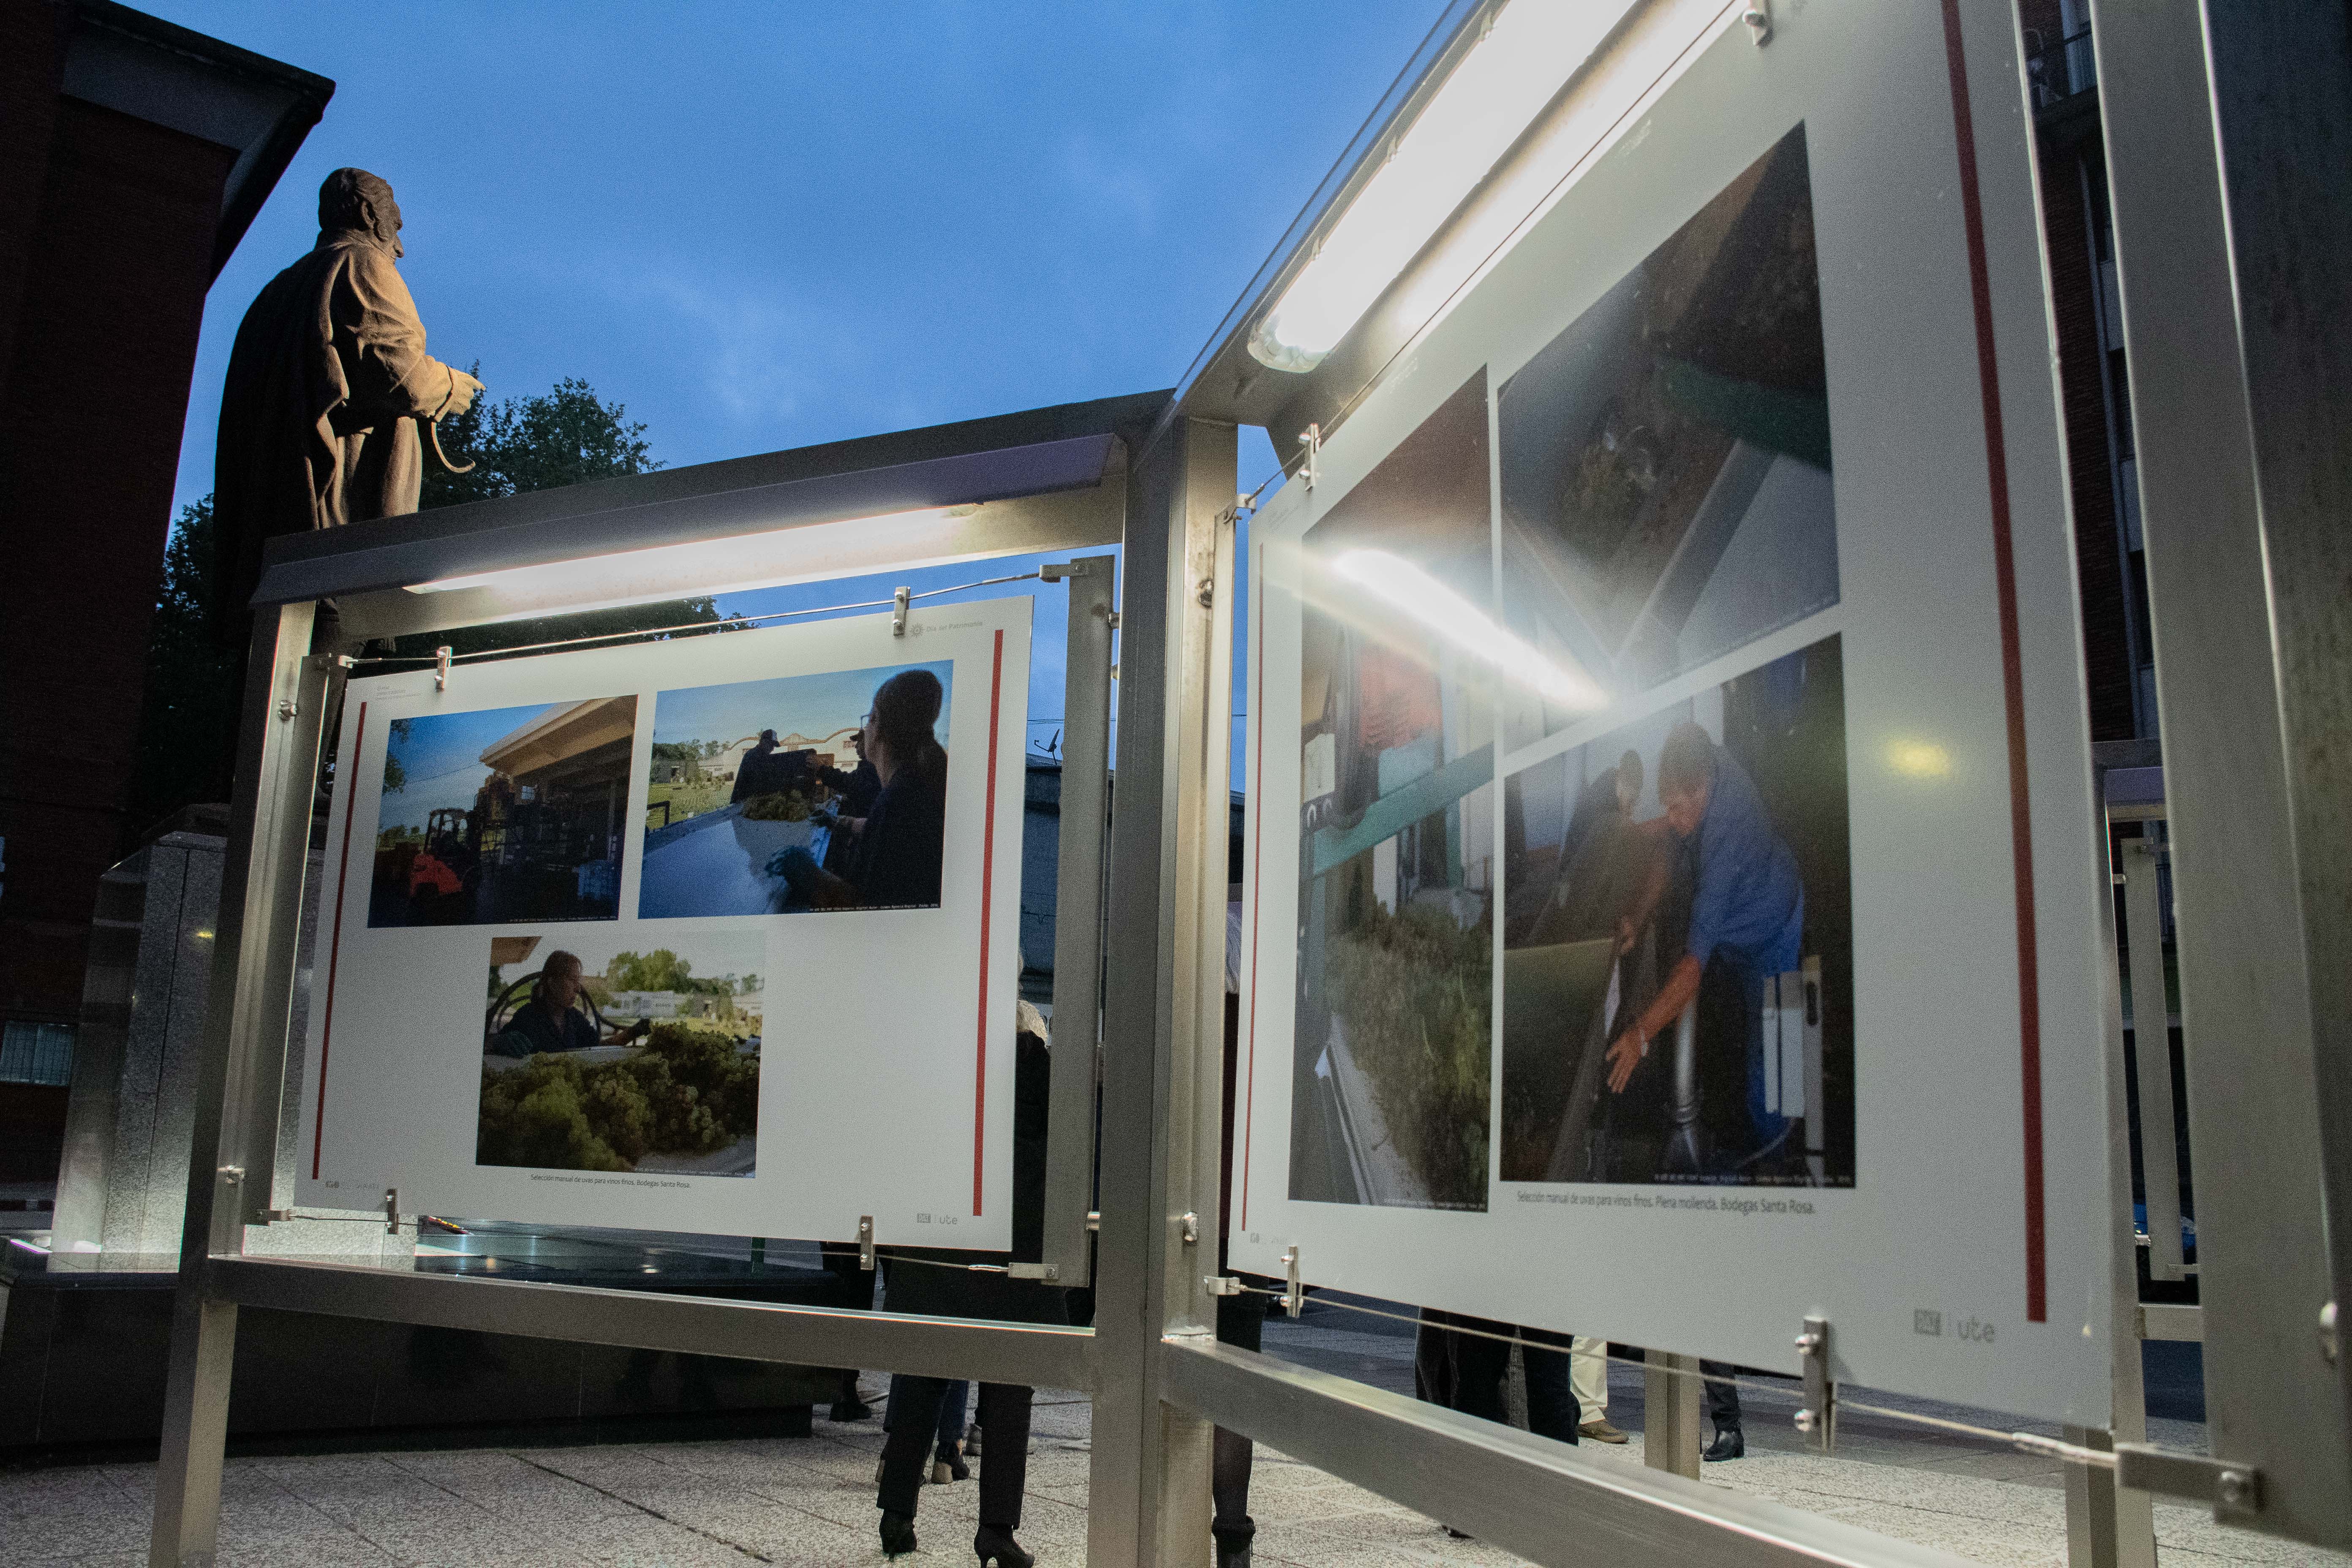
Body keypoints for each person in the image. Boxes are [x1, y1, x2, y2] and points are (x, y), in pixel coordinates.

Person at [212, 168, 482, 649]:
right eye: (395, 228)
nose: (400, 247)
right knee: (328, 688)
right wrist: (449, 386)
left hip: (270, 543)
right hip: (336, 525)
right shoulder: (363, 264)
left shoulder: (274, 294)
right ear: (367, 214)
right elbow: (396, 373)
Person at [872, 1001, 1060, 1565]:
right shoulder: (1031, 1057)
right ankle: (996, 1532)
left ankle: (896, 1513)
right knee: (1008, 1389)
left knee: (923, 1374)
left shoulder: (934, 1054)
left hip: (937, 1237)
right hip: (1012, 1245)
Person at [1603, 721, 1805, 1155]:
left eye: (1677, 809)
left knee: (1771, 1077)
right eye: (1667, 807)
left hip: (1773, 929)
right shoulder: (1702, 765)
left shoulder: (1725, 835)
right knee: (1734, 1032)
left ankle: (1774, 1160)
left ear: (1702, 792)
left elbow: (1692, 969)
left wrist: (1641, 1036)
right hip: (1738, 923)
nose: (1671, 819)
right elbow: (1670, 852)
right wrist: (1637, 919)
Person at [771, 669, 947, 910]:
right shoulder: (916, 785)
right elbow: (880, 829)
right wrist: (838, 822)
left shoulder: (900, 800)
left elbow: (861, 904)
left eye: (869, 719)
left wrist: (807, 872)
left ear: (879, 728)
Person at [486, 951, 647, 1058]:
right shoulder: (528, 1016)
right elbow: (488, 1045)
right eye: (572, 980)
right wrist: (499, 1042)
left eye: (578, 981)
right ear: (552, 982)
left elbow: (598, 1047)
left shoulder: (575, 1018)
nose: (578, 989)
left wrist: (634, 1032)